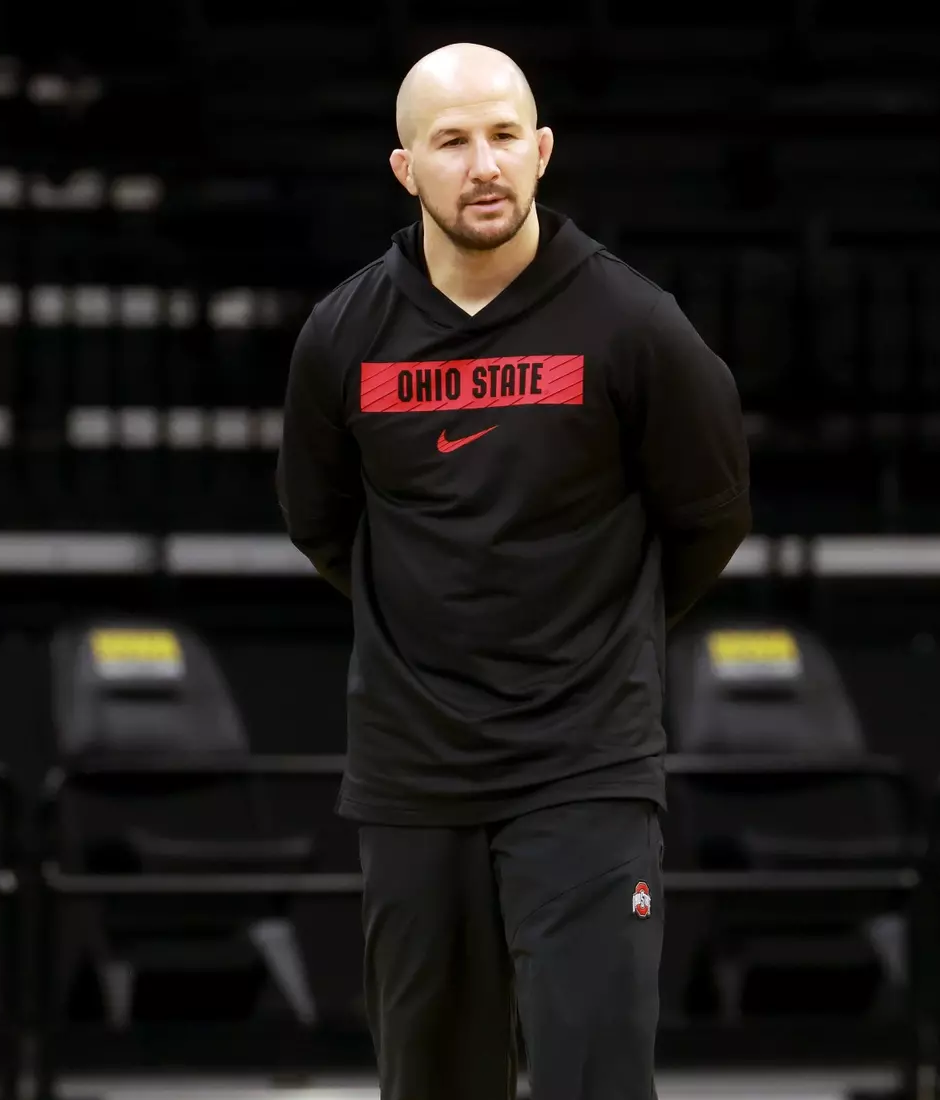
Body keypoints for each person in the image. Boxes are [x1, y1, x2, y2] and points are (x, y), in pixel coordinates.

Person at [275, 41, 751, 1100]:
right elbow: (321, 521)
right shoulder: (342, 336)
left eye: (502, 137)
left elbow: (710, 514)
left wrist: (595, 633)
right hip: (413, 771)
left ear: (541, 153)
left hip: (584, 762)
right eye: (451, 141)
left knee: (595, 1076)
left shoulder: (635, 325)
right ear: (407, 169)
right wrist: (438, 626)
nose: (481, 163)